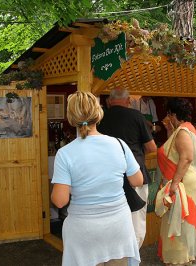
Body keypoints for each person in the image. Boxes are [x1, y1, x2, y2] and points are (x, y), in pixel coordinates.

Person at [51, 91, 143, 265]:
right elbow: (137, 180)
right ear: (98, 113)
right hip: (118, 227)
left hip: (84, 231)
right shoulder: (119, 144)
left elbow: (59, 201)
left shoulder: (65, 154)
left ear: (71, 118)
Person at [98, 88, 157, 248]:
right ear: (128, 101)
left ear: (110, 101)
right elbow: (152, 148)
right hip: (135, 175)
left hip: (109, 176)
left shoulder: (101, 117)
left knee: (113, 217)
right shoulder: (136, 116)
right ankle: (133, 255)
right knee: (137, 219)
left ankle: (116, 252)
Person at [156, 98, 196, 265]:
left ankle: (178, 257)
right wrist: (169, 129)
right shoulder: (185, 129)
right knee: (182, 219)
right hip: (185, 179)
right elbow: (174, 150)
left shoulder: (182, 131)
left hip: (182, 181)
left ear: (173, 114)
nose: (167, 117)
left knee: (178, 220)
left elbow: (186, 157)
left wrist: (174, 183)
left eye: (168, 114)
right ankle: (184, 254)